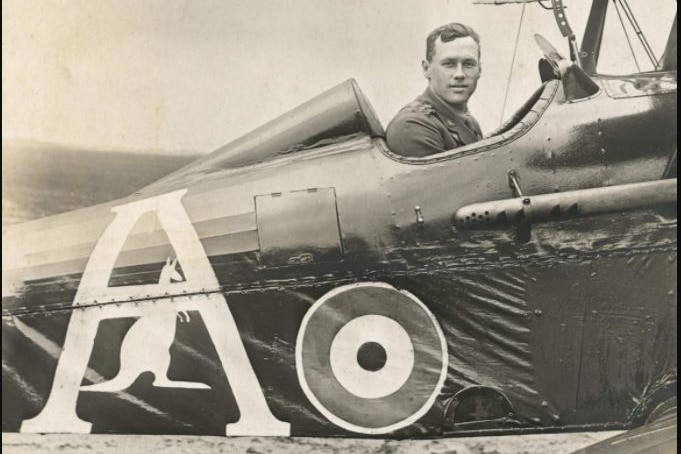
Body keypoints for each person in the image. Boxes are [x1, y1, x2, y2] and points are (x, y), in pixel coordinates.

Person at [387, 23, 483, 157]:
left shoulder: (470, 123)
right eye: (449, 64)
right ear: (427, 69)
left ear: (479, 70)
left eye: (468, 64)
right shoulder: (412, 126)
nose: (459, 74)